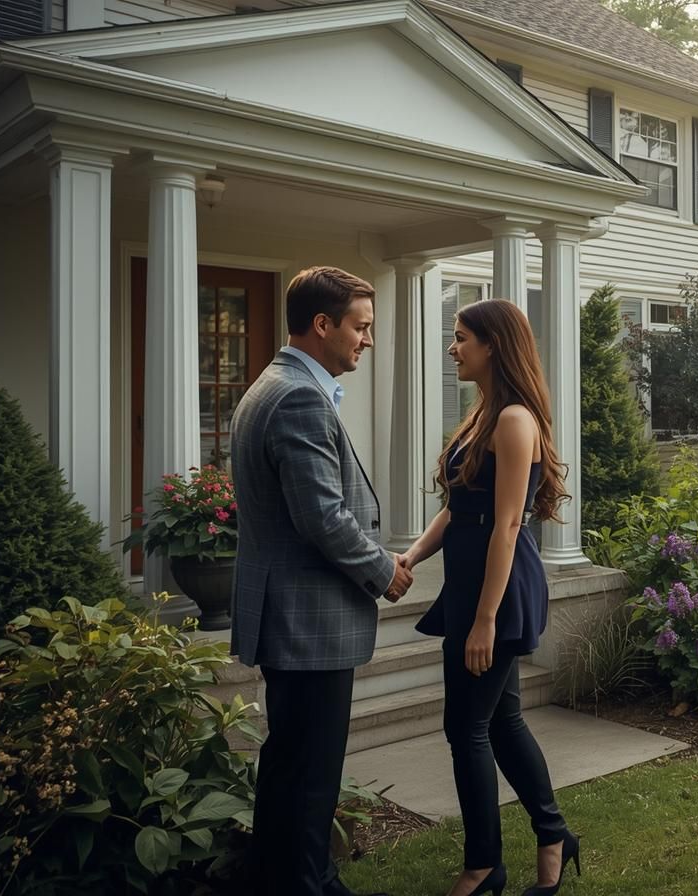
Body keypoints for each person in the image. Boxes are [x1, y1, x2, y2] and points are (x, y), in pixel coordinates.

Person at [230, 266, 413, 896]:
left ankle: (289, 880)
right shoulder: (299, 397)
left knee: (289, 768)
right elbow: (322, 517)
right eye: (360, 327)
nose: (366, 339)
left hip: (294, 616)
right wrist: (382, 568)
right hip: (308, 620)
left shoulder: (272, 385)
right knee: (310, 775)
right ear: (322, 325)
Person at [400, 299, 579, 896]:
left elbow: (505, 526)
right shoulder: (485, 414)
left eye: (461, 338)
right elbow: (457, 509)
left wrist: (483, 620)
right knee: (499, 722)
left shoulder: (514, 420)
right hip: (474, 586)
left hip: (496, 593)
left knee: (465, 728)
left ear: (493, 345)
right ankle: (553, 837)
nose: (453, 348)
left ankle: (483, 866)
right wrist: (411, 557)